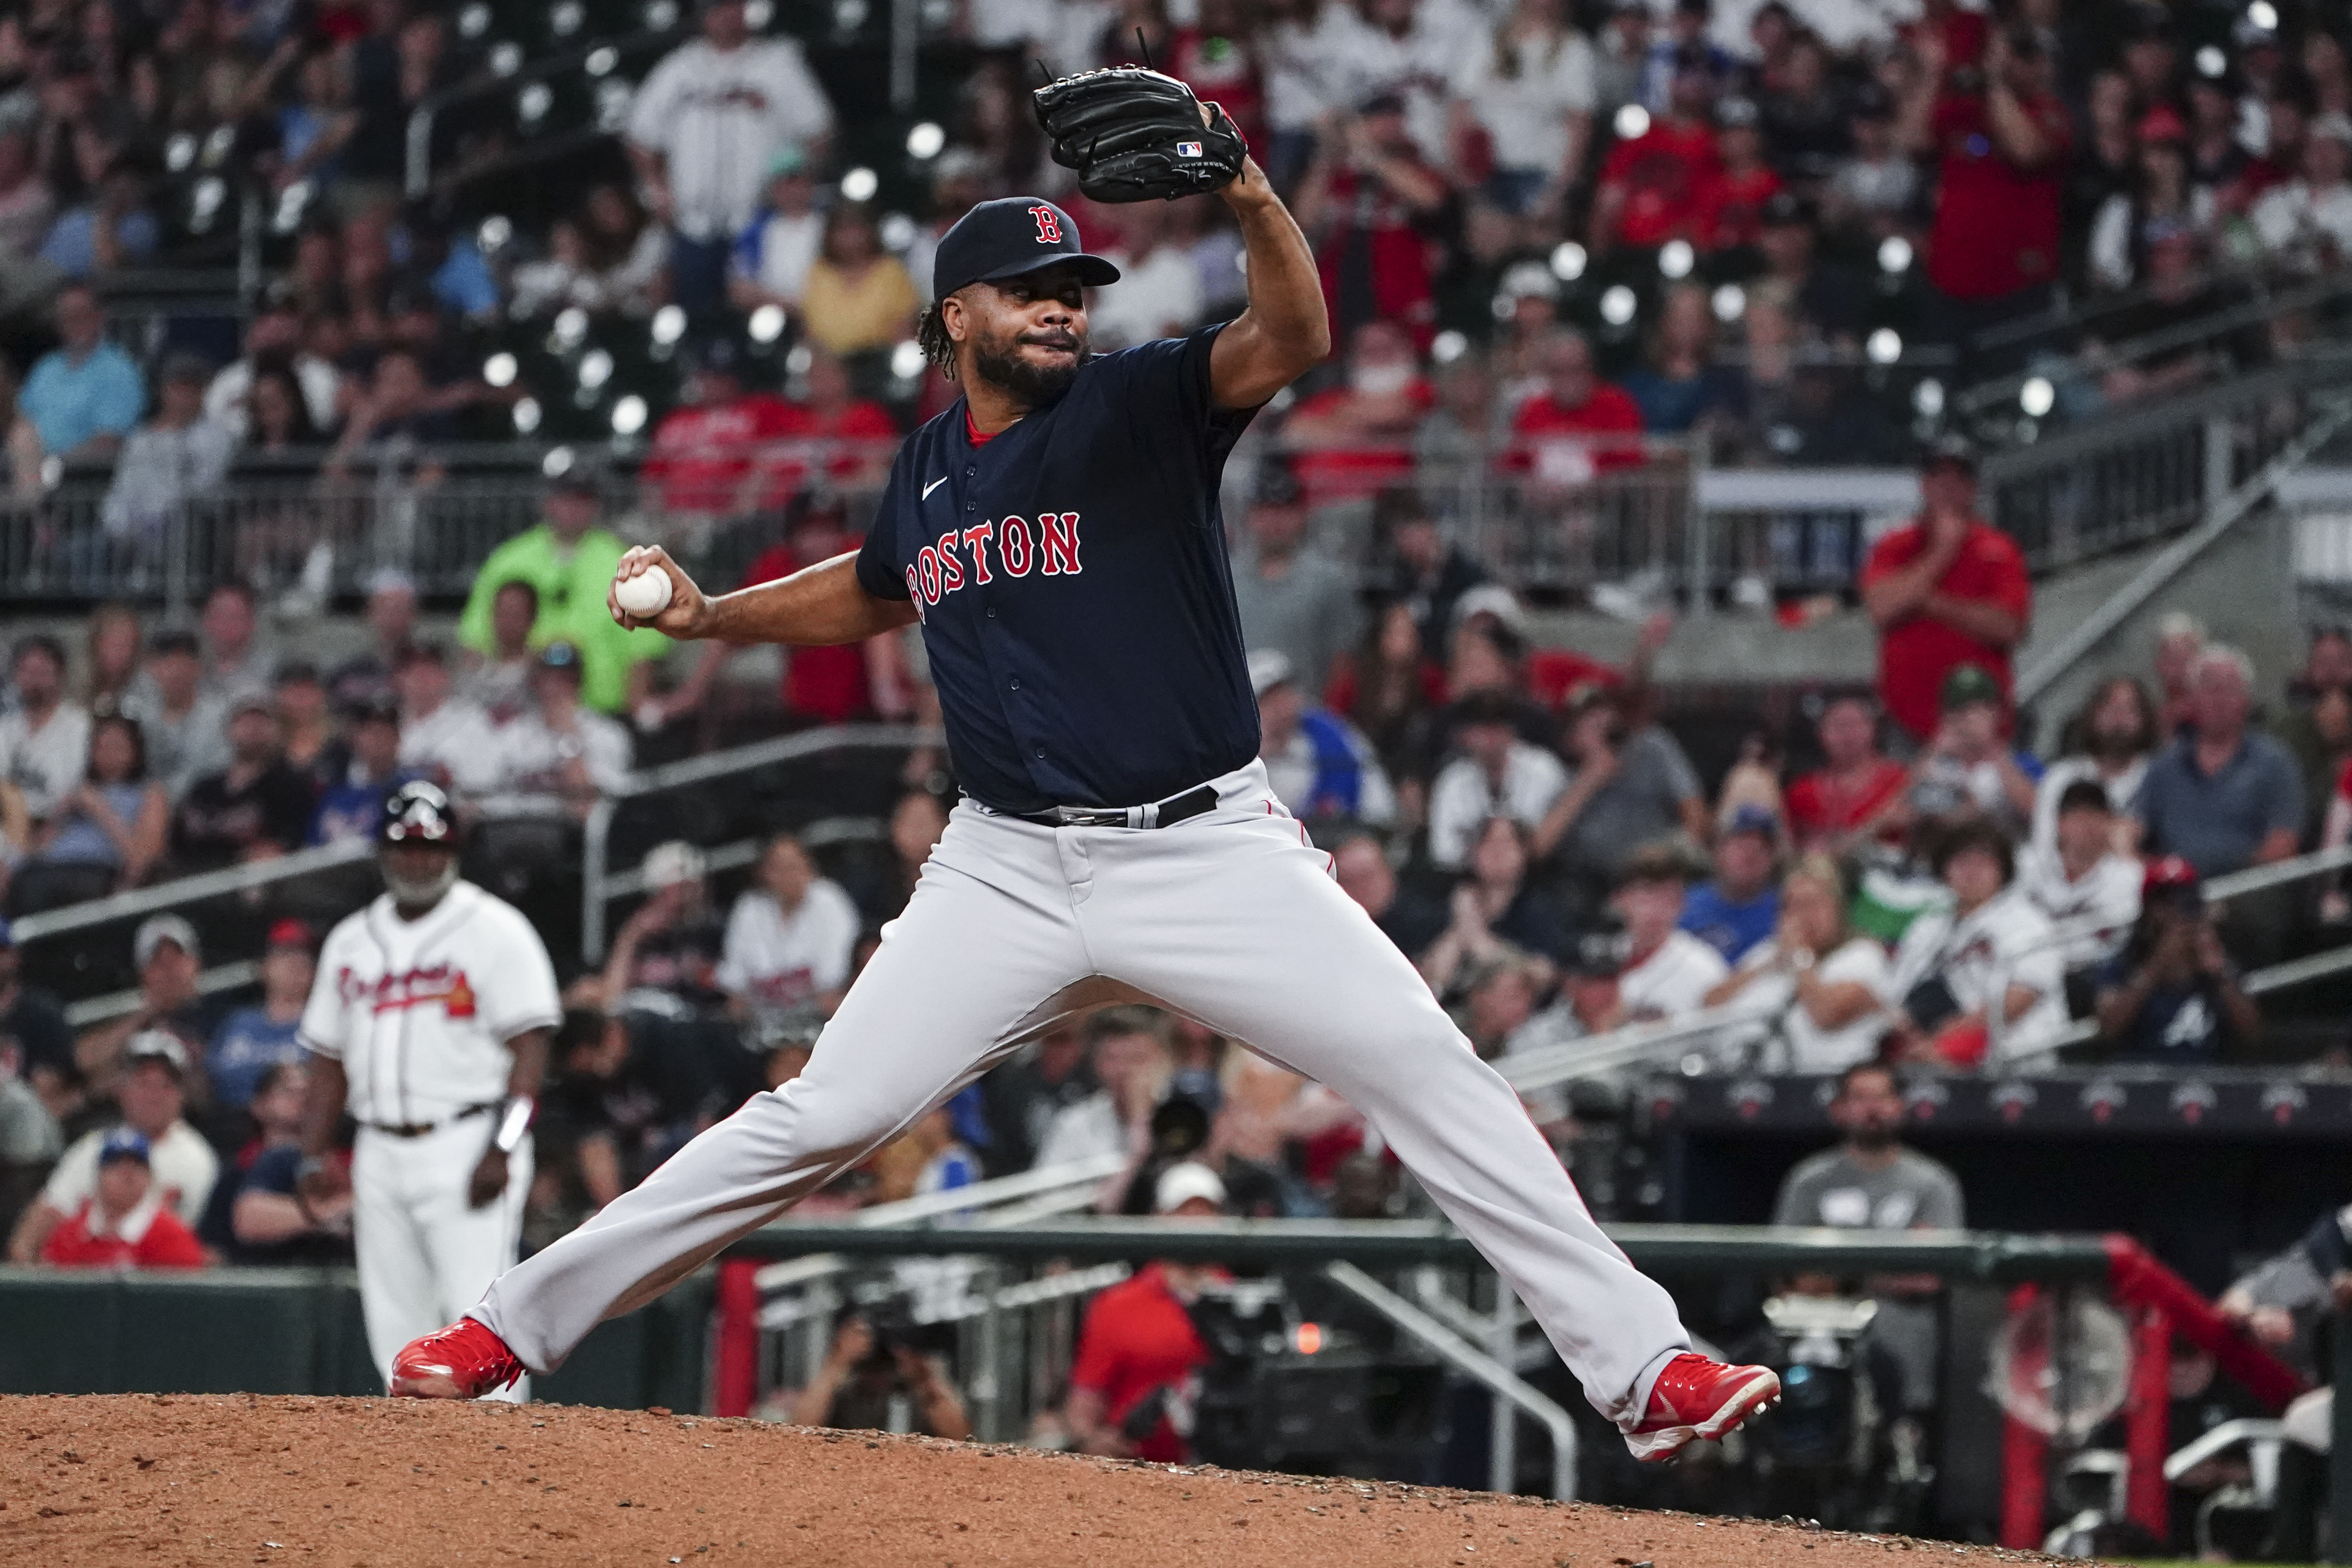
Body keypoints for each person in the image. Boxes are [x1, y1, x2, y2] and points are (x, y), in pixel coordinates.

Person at [401, 181, 1780, 1463]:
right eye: (1028, 287)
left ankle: (1644, 1368)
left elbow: (1294, 330)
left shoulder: (1136, 403)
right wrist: (718, 613)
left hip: (1199, 846)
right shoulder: (932, 465)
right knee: (821, 1109)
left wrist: (1242, 192)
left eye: (1073, 284)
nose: (1062, 304)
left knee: (1424, 1060)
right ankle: (509, 1326)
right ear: (955, 317)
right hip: (1003, 861)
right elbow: (882, 584)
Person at [293, 782, 557, 1399]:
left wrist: (503, 1145)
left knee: (479, 1323)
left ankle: (500, 1478)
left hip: (466, 1139)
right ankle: (413, 1485)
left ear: (455, 851)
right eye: (405, 847)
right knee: (394, 1328)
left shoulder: (496, 928)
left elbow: (532, 1048)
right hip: (378, 1149)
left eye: (430, 847)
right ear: (383, 853)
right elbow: (327, 1060)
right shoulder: (351, 939)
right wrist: (312, 1151)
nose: (418, 860)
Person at [1770, 1062, 1964, 1415]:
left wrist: (1836, 1273)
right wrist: (1892, 1267)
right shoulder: (1808, 1181)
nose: (1872, 1109)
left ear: (1900, 1107)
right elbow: (1788, 1276)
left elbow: (1927, 1278)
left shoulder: (1933, 1183)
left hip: (1902, 1345)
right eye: (1859, 1098)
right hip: (1817, 1341)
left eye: (1882, 1097)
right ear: (1838, 1109)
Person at [624, 0, 836, 314]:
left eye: (731, 7)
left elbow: (819, 133)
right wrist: (658, 189)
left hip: (760, 224)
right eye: (715, 8)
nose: (724, 16)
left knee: (764, 322)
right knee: (697, 318)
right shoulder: (680, 67)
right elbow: (639, 135)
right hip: (693, 224)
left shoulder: (777, 63)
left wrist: (792, 187)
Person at [1899, 24, 2072, 361]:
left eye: (2024, 57)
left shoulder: (2050, 113)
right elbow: (1910, 141)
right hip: (1952, 289)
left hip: (2017, 289)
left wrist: (1995, 79)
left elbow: (2026, 150)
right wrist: (1932, 73)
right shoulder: (1963, 111)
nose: (2013, 64)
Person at [456, 469, 667, 717]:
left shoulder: (625, 563)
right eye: (563, 498)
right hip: (519, 709)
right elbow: (475, 638)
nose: (571, 508)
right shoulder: (509, 559)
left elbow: (643, 650)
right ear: (547, 502)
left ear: (595, 506)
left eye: (581, 499)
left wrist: (635, 712)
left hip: (600, 709)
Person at [1859, 441, 2032, 744]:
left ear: (1972, 488)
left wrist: (1926, 601)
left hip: (1982, 726)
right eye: (1939, 477)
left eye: (1959, 478)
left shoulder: (1999, 549)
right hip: (1905, 722)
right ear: (1925, 485)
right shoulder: (1895, 545)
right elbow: (1880, 609)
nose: (1948, 487)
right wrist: (1942, 551)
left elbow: (2008, 626)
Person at [1061, 1161, 1230, 1459]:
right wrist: (1093, 1442)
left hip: (1227, 1472)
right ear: (1159, 1218)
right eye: (1183, 1212)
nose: (1196, 1222)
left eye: (1206, 1211)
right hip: (1140, 1471)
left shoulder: (1246, 1302)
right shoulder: (1117, 1305)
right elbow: (1085, 1402)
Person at [9, 1031, 218, 1263]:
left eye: (165, 1085)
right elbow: (32, 1234)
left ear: (182, 1094)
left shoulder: (196, 1158)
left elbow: (201, 1252)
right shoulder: (92, 1148)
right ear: (122, 1090)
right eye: (143, 1083)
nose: (153, 1095)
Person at [1888, 819, 2068, 1069]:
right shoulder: (1928, 926)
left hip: (2010, 1053)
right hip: (1928, 1047)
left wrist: (1944, 1041)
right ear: (1944, 869)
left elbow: (2019, 999)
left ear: (2002, 871)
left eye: (1983, 864)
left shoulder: (2028, 922)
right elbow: (1896, 998)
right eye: (1962, 863)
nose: (1971, 873)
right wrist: (1914, 1040)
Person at [1706, 857, 1893, 1074]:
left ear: (1837, 908)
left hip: (1828, 1082)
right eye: (1791, 906)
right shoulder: (1769, 952)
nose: (1801, 917)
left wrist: (1800, 957)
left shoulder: (1863, 955)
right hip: (1750, 1077)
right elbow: (1710, 1005)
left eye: (1812, 904)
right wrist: (1765, 967)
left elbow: (1825, 1015)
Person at [2137, 645, 2304, 879]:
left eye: (2230, 688)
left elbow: (2283, 845)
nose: (2218, 699)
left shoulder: (2274, 764)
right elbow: (2129, 831)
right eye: (2209, 688)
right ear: (2192, 698)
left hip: (2245, 892)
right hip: (2174, 893)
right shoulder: (2164, 767)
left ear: (2246, 700)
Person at [2093, 858, 2261, 1063]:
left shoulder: (2219, 959)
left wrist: (2220, 973)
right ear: (2149, 910)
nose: (2174, 913)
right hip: (2139, 1078)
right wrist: (2155, 967)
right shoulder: (2124, 961)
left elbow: (2253, 1035)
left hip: (2207, 1080)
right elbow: (2108, 1030)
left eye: (2183, 902)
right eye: (2164, 903)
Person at [1228, 458, 1362, 697]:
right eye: (1266, 511)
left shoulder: (1327, 580)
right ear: (1251, 516)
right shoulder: (1229, 579)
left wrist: (1322, 721)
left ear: (1301, 515)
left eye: (1284, 511)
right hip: (1239, 718)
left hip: (1306, 717)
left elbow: (1343, 661)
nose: (1275, 522)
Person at [12, 713, 167, 910]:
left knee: (40, 890)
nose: (107, 754)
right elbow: (35, 851)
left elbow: (142, 860)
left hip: (97, 872)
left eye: (116, 747)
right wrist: (60, 815)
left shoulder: (149, 792)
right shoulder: (81, 790)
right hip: (46, 868)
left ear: (135, 751)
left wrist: (101, 810)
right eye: (101, 746)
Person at [97, 355, 234, 565]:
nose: (184, 396)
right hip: (131, 537)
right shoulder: (140, 438)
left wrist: (158, 522)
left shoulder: (216, 436)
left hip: (187, 533)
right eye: (177, 388)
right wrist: (120, 528)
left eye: (192, 388)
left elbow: (203, 488)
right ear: (164, 391)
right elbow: (122, 489)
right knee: (86, 549)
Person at [1419, 814, 1572, 994]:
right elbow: (1430, 979)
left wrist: (1481, 942)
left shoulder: (1543, 907)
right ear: (1473, 852)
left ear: (1525, 854)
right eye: (1488, 843)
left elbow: (1543, 976)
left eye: (1507, 844)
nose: (1498, 852)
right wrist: (1461, 928)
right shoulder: (1447, 901)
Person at [715, 833, 860, 1019]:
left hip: (818, 1017)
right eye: (779, 868)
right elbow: (735, 986)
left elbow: (835, 980)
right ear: (764, 873)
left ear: (809, 867)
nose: (788, 876)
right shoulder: (749, 908)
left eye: (794, 866)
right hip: (761, 1021)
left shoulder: (829, 900)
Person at [1425, 689, 1569, 871]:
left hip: (1538, 876)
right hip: (1470, 877)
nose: (1492, 740)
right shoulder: (1453, 780)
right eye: (1483, 731)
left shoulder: (1543, 769)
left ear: (1512, 732)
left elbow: (1556, 842)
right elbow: (1443, 852)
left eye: (1499, 729)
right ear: (1465, 737)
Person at [168, 694, 313, 874]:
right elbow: (178, 839)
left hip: (249, 880)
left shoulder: (289, 784)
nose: (252, 729)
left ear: (275, 731)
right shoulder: (204, 788)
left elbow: (290, 842)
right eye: (244, 723)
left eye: (261, 723)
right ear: (229, 730)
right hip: (195, 877)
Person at [1250, 649, 1394, 827]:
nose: (1281, 706)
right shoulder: (1245, 758)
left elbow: (1376, 792)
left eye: (1284, 693)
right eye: (1269, 700)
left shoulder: (1330, 732)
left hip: (1338, 835)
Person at [36, 1127, 209, 1270]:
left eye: (137, 1166)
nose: (127, 1174)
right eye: (115, 1165)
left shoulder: (173, 1236)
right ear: (99, 1175)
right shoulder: (70, 1233)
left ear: (150, 1177)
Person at [2016, 781, 2142, 974]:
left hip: (2091, 975)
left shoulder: (2128, 875)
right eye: (2079, 818)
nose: (2088, 827)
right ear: (2060, 823)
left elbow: (2110, 943)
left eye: (2097, 817)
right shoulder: (2026, 865)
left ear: (2111, 824)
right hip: (2026, 968)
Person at [2031, 676, 2159, 861]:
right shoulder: (2060, 778)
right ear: (2092, 715)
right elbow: (2043, 848)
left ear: (2145, 719)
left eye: (2130, 710)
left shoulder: (2160, 779)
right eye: (2110, 708)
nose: (2119, 718)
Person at [790, 1313, 974, 1438]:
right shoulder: (842, 1390)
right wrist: (837, 1362)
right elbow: (801, 1430)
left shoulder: (921, 1389)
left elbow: (960, 1438)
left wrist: (924, 1379)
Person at [19, 282, 143, 464]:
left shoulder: (119, 371)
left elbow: (108, 441)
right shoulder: (46, 367)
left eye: (82, 316)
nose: (74, 324)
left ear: (99, 318)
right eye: (67, 318)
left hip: (80, 476)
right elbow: (20, 423)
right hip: (28, 467)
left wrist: (53, 465)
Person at [1608, 842, 1730, 1026]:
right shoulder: (1601, 957)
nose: (1656, 906)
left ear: (1682, 903)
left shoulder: (1705, 968)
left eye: (1667, 895)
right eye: (1647, 891)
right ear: (1621, 899)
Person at [1911, 664, 2040, 833]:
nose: (1971, 718)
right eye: (1962, 710)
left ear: (1998, 713)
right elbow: (1899, 813)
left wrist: (1993, 751)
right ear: (1947, 717)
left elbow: (2041, 812)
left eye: (1982, 709)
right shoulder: (1933, 764)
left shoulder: (2021, 761)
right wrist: (1933, 751)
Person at [206, 920, 316, 1114]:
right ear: (263, 967)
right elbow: (209, 1084)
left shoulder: (322, 1027)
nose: (296, 962)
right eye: (284, 954)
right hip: (231, 1126)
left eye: (304, 955)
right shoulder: (238, 1023)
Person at [797, 204, 922, 361]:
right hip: (827, 361)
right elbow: (808, 324)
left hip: (879, 360)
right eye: (843, 232)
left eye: (857, 230)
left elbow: (906, 323)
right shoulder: (820, 272)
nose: (851, 239)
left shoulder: (891, 271)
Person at [1785, 696, 1907, 853]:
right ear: (1821, 734)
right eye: (1838, 726)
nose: (1847, 734)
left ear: (1873, 729)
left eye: (1854, 724)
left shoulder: (1899, 779)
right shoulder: (1802, 791)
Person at [0, 634, 94, 830]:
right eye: (26, 671)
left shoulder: (79, 725)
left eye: (41, 672)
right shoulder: (6, 725)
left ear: (59, 675)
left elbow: (71, 788)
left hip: (58, 824)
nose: (33, 680)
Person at [124, 630, 228, 796]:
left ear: (198, 667)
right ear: (152, 668)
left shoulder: (220, 717)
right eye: (167, 663)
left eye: (183, 662)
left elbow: (220, 774)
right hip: (145, 810)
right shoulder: (136, 716)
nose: (176, 671)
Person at [1679, 803, 1781, 965]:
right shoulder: (1683, 906)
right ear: (1717, 850)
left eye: (1762, 847)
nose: (1751, 854)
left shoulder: (1785, 910)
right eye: (1741, 844)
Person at [394, 644, 499, 797]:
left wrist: (451, 777)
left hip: (455, 809)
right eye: (412, 672)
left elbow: (487, 779)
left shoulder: (471, 720)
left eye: (429, 671)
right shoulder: (388, 723)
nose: (420, 679)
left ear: (445, 677)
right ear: (398, 680)